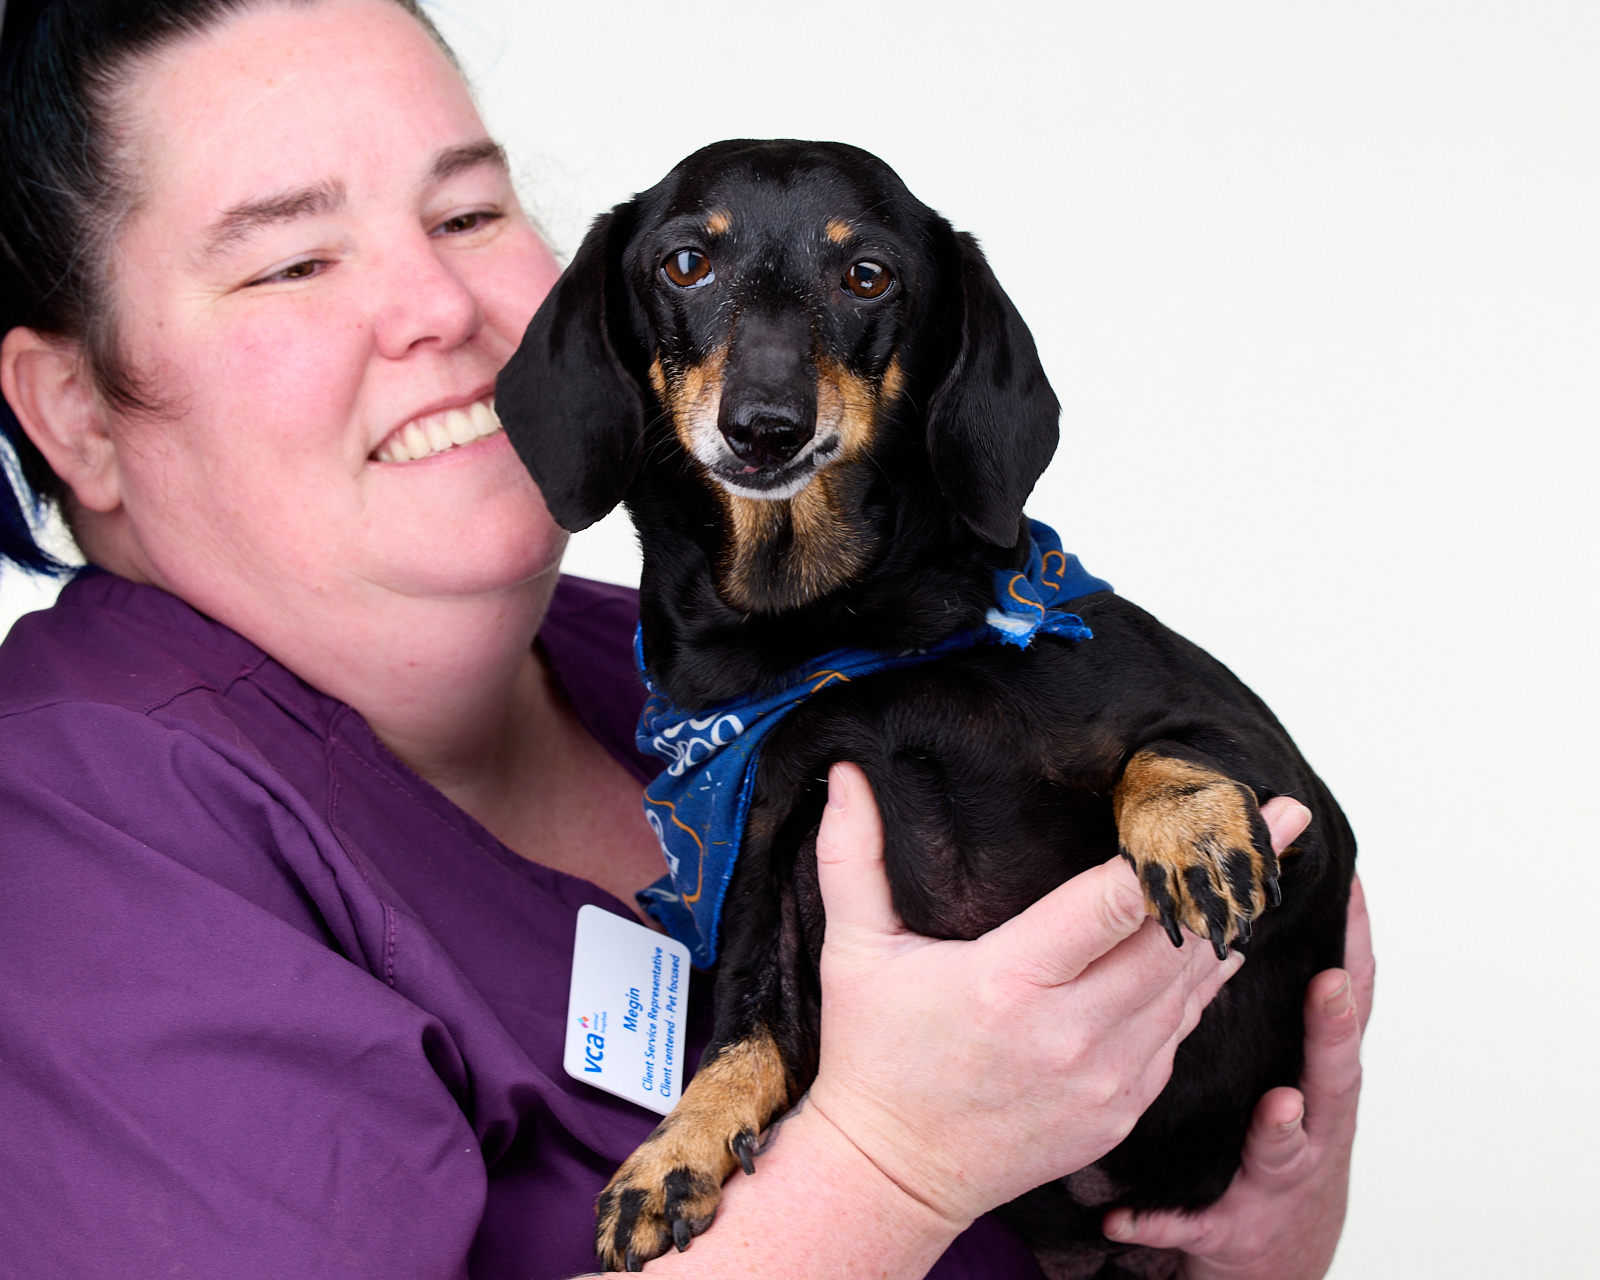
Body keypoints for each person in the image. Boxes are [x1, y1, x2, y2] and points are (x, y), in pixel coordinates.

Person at [0, 0, 1374, 1276]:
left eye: (470, 211)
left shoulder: (714, 668)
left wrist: (1228, 1237)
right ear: (72, 411)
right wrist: (893, 1172)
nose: (440, 306)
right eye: (293, 258)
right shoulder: (72, 842)